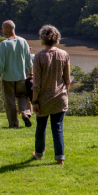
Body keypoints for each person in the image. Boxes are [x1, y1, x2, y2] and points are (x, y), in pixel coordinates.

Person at [30, 25, 71, 165]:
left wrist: (34, 102)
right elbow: (67, 79)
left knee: (41, 127)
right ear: (57, 38)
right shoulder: (64, 54)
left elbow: (36, 83)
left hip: (43, 99)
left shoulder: (39, 57)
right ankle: (60, 157)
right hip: (60, 97)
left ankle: (39, 153)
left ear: (42, 38)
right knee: (57, 126)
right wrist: (66, 94)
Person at [0, 20, 33, 128]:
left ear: (8, 29)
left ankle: (13, 124)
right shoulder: (23, 41)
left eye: (2, 28)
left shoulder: (4, 44)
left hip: (8, 78)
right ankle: (26, 113)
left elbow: (0, 64)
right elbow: (28, 60)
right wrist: (31, 74)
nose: (1, 30)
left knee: (9, 100)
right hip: (21, 76)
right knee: (22, 96)